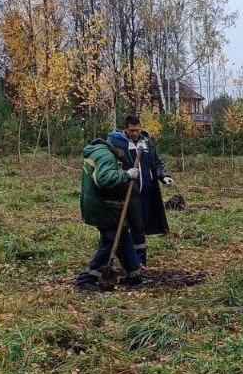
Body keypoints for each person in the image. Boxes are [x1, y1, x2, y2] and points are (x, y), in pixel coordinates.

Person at [73, 134, 147, 291]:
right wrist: (126, 175)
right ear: (118, 147)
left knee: (123, 238)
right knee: (111, 240)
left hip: (98, 204)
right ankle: (86, 278)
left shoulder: (98, 152)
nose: (123, 154)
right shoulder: (106, 156)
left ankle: (135, 275)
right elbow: (103, 179)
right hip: (102, 207)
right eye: (123, 150)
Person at [117, 116, 173, 265]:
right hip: (130, 193)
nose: (135, 133)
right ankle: (133, 261)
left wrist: (164, 176)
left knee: (142, 226)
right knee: (133, 227)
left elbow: (157, 162)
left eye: (137, 130)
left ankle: (141, 262)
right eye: (131, 130)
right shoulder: (120, 144)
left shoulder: (146, 142)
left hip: (147, 192)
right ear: (126, 129)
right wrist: (126, 174)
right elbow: (116, 167)